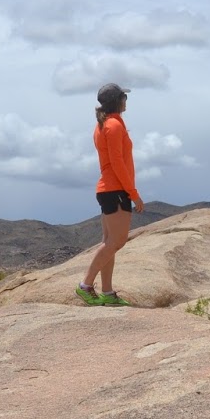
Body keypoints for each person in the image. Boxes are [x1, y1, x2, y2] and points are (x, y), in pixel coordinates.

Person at [77, 82, 144, 306]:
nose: (126, 100)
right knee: (117, 241)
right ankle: (86, 285)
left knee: (109, 242)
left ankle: (107, 292)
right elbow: (117, 162)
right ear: (118, 101)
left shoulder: (104, 124)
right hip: (115, 189)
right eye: (124, 97)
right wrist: (133, 193)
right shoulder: (113, 126)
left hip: (108, 189)